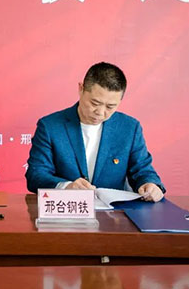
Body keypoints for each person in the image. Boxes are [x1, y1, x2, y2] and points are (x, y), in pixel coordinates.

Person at [25, 62, 165, 202]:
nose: (100, 112)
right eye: (94, 103)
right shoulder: (50, 126)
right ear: (81, 89)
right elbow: (36, 175)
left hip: (115, 212)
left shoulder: (129, 128)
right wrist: (67, 186)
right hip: (67, 209)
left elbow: (142, 170)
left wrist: (150, 184)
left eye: (110, 106)